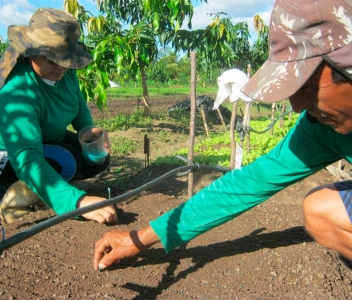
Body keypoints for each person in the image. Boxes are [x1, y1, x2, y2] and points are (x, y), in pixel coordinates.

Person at [93, 0, 352, 271]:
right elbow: (248, 182)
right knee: (322, 210)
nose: (298, 107)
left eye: (308, 89)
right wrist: (139, 239)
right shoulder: (319, 127)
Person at [0, 8, 117, 225]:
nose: (61, 67)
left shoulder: (66, 74)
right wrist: (77, 202)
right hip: (2, 156)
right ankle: (17, 194)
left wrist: (87, 128)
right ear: (31, 52)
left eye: (66, 60)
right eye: (52, 60)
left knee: (97, 156)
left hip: (42, 139)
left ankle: (43, 186)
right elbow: (26, 157)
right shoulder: (16, 90)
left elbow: (77, 105)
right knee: (64, 160)